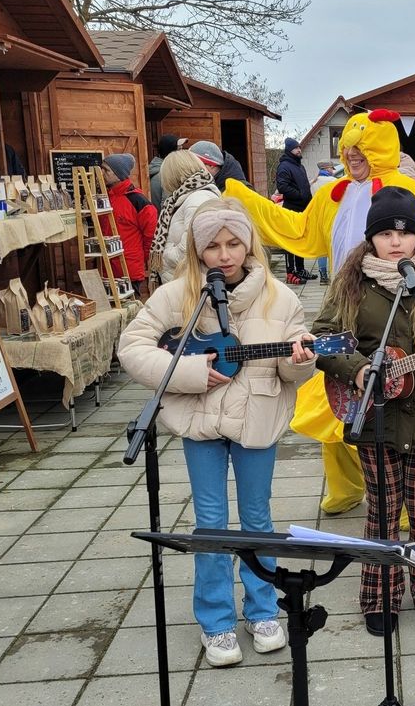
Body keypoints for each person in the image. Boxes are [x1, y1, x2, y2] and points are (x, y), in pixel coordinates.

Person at [223, 109, 415, 519]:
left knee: (393, 409)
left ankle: (405, 507)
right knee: (337, 402)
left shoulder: (402, 189)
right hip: (346, 304)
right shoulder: (330, 192)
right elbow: (298, 229)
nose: (354, 155)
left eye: (362, 147)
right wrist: (247, 201)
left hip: (396, 312)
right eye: (348, 148)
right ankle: (346, 488)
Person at [118, 197, 317, 666]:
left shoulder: (279, 297)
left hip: (257, 419)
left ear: (249, 245)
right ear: (197, 250)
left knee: (257, 520)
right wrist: (187, 372)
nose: (224, 255)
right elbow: (132, 347)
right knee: (209, 522)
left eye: (234, 244)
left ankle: (264, 609)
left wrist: (298, 361)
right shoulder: (177, 294)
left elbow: (291, 371)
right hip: (200, 421)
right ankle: (216, 621)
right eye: (213, 246)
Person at [313, 187, 415, 635]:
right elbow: (323, 338)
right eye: (385, 233)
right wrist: (360, 370)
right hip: (374, 415)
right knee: (382, 509)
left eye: (405, 232)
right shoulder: (351, 285)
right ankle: (379, 595)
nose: (396, 241)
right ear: (371, 239)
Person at [148, 150, 220, 285]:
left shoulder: (198, 199)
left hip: (190, 284)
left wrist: (164, 253)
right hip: (184, 281)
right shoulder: (186, 197)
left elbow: (191, 248)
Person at [101, 153, 157, 299]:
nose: (101, 174)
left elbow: (151, 236)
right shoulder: (106, 197)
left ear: (119, 174)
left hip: (128, 268)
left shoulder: (138, 201)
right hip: (107, 267)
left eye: (106, 170)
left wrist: (141, 259)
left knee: (132, 312)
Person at [274, 138, 314, 284]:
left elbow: (304, 186)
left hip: (302, 209)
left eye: (299, 148)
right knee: (291, 241)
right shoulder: (284, 166)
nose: (299, 150)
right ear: (289, 150)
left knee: (300, 240)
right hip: (291, 208)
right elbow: (283, 187)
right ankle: (291, 272)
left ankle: (301, 269)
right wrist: (299, 196)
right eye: (296, 148)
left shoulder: (299, 166)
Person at [310, 161, 339, 284]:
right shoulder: (332, 181)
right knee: (332, 247)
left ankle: (323, 276)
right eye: (332, 168)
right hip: (331, 217)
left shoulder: (313, 182)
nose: (333, 170)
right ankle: (335, 275)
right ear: (327, 169)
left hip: (318, 218)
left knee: (322, 249)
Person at [149, 133, 187, 208]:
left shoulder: (159, 168)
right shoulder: (165, 173)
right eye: (179, 149)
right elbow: (166, 206)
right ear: (170, 152)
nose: (182, 152)